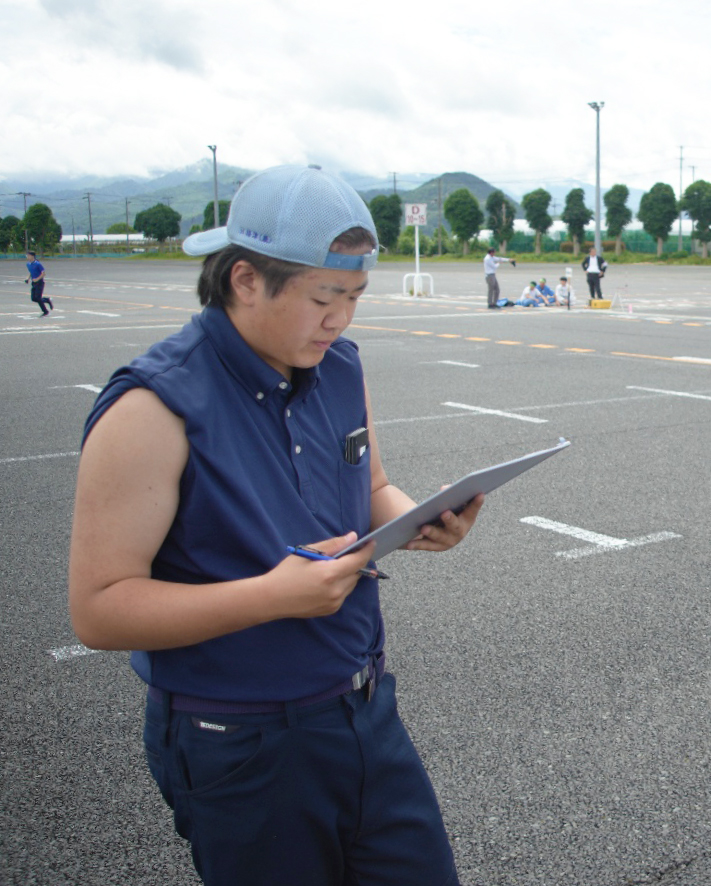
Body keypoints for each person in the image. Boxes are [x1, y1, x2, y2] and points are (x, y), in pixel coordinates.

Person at [67, 165, 484, 886]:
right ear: (244, 280)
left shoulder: (341, 368)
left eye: (354, 298)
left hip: (363, 708)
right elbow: (99, 610)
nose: (341, 320)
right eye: (324, 298)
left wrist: (421, 519)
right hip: (238, 737)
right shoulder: (151, 407)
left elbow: (373, 485)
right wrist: (272, 596)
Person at [25, 250, 54, 316]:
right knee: (34, 298)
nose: (27, 257)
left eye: (28, 255)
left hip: (39, 283)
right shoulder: (28, 264)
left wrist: (37, 279)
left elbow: (43, 273)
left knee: (38, 298)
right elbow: (31, 272)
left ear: (32, 256)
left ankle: (45, 311)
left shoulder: (38, 264)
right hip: (34, 282)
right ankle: (47, 300)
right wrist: (28, 278)